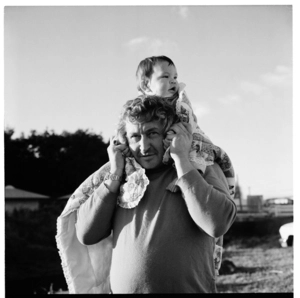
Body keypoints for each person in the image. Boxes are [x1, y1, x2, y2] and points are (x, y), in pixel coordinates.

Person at [70, 96, 236, 293]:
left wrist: (182, 159)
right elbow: (86, 234)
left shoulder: (201, 165)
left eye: (152, 133)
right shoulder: (123, 179)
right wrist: (114, 174)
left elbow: (217, 224)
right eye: (135, 137)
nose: (144, 146)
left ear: (169, 134)